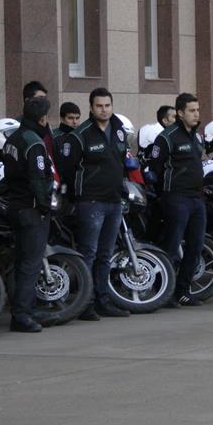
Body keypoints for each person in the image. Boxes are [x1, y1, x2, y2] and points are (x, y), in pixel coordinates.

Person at [59, 88, 132, 319]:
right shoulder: (81, 134)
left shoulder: (119, 130)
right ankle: (85, 304)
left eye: (107, 105)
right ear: (91, 108)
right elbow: (68, 169)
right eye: (99, 106)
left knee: (105, 254)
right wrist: (79, 193)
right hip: (90, 202)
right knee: (88, 254)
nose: (104, 109)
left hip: (114, 200)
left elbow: (121, 162)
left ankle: (103, 300)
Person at [2, 97, 56, 333]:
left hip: (15, 204)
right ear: (43, 118)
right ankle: (22, 315)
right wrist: (45, 206)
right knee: (30, 264)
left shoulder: (13, 138)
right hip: (31, 208)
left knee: (21, 262)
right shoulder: (34, 143)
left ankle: (26, 308)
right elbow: (37, 179)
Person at [149, 93, 206, 307]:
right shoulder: (167, 136)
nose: (196, 114)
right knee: (171, 246)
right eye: (191, 111)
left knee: (195, 246)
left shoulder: (196, 136)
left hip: (196, 198)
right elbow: (155, 166)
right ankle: (163, 291)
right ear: (180, 113)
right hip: (176, 198)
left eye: (198, 110)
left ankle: (183, 291)